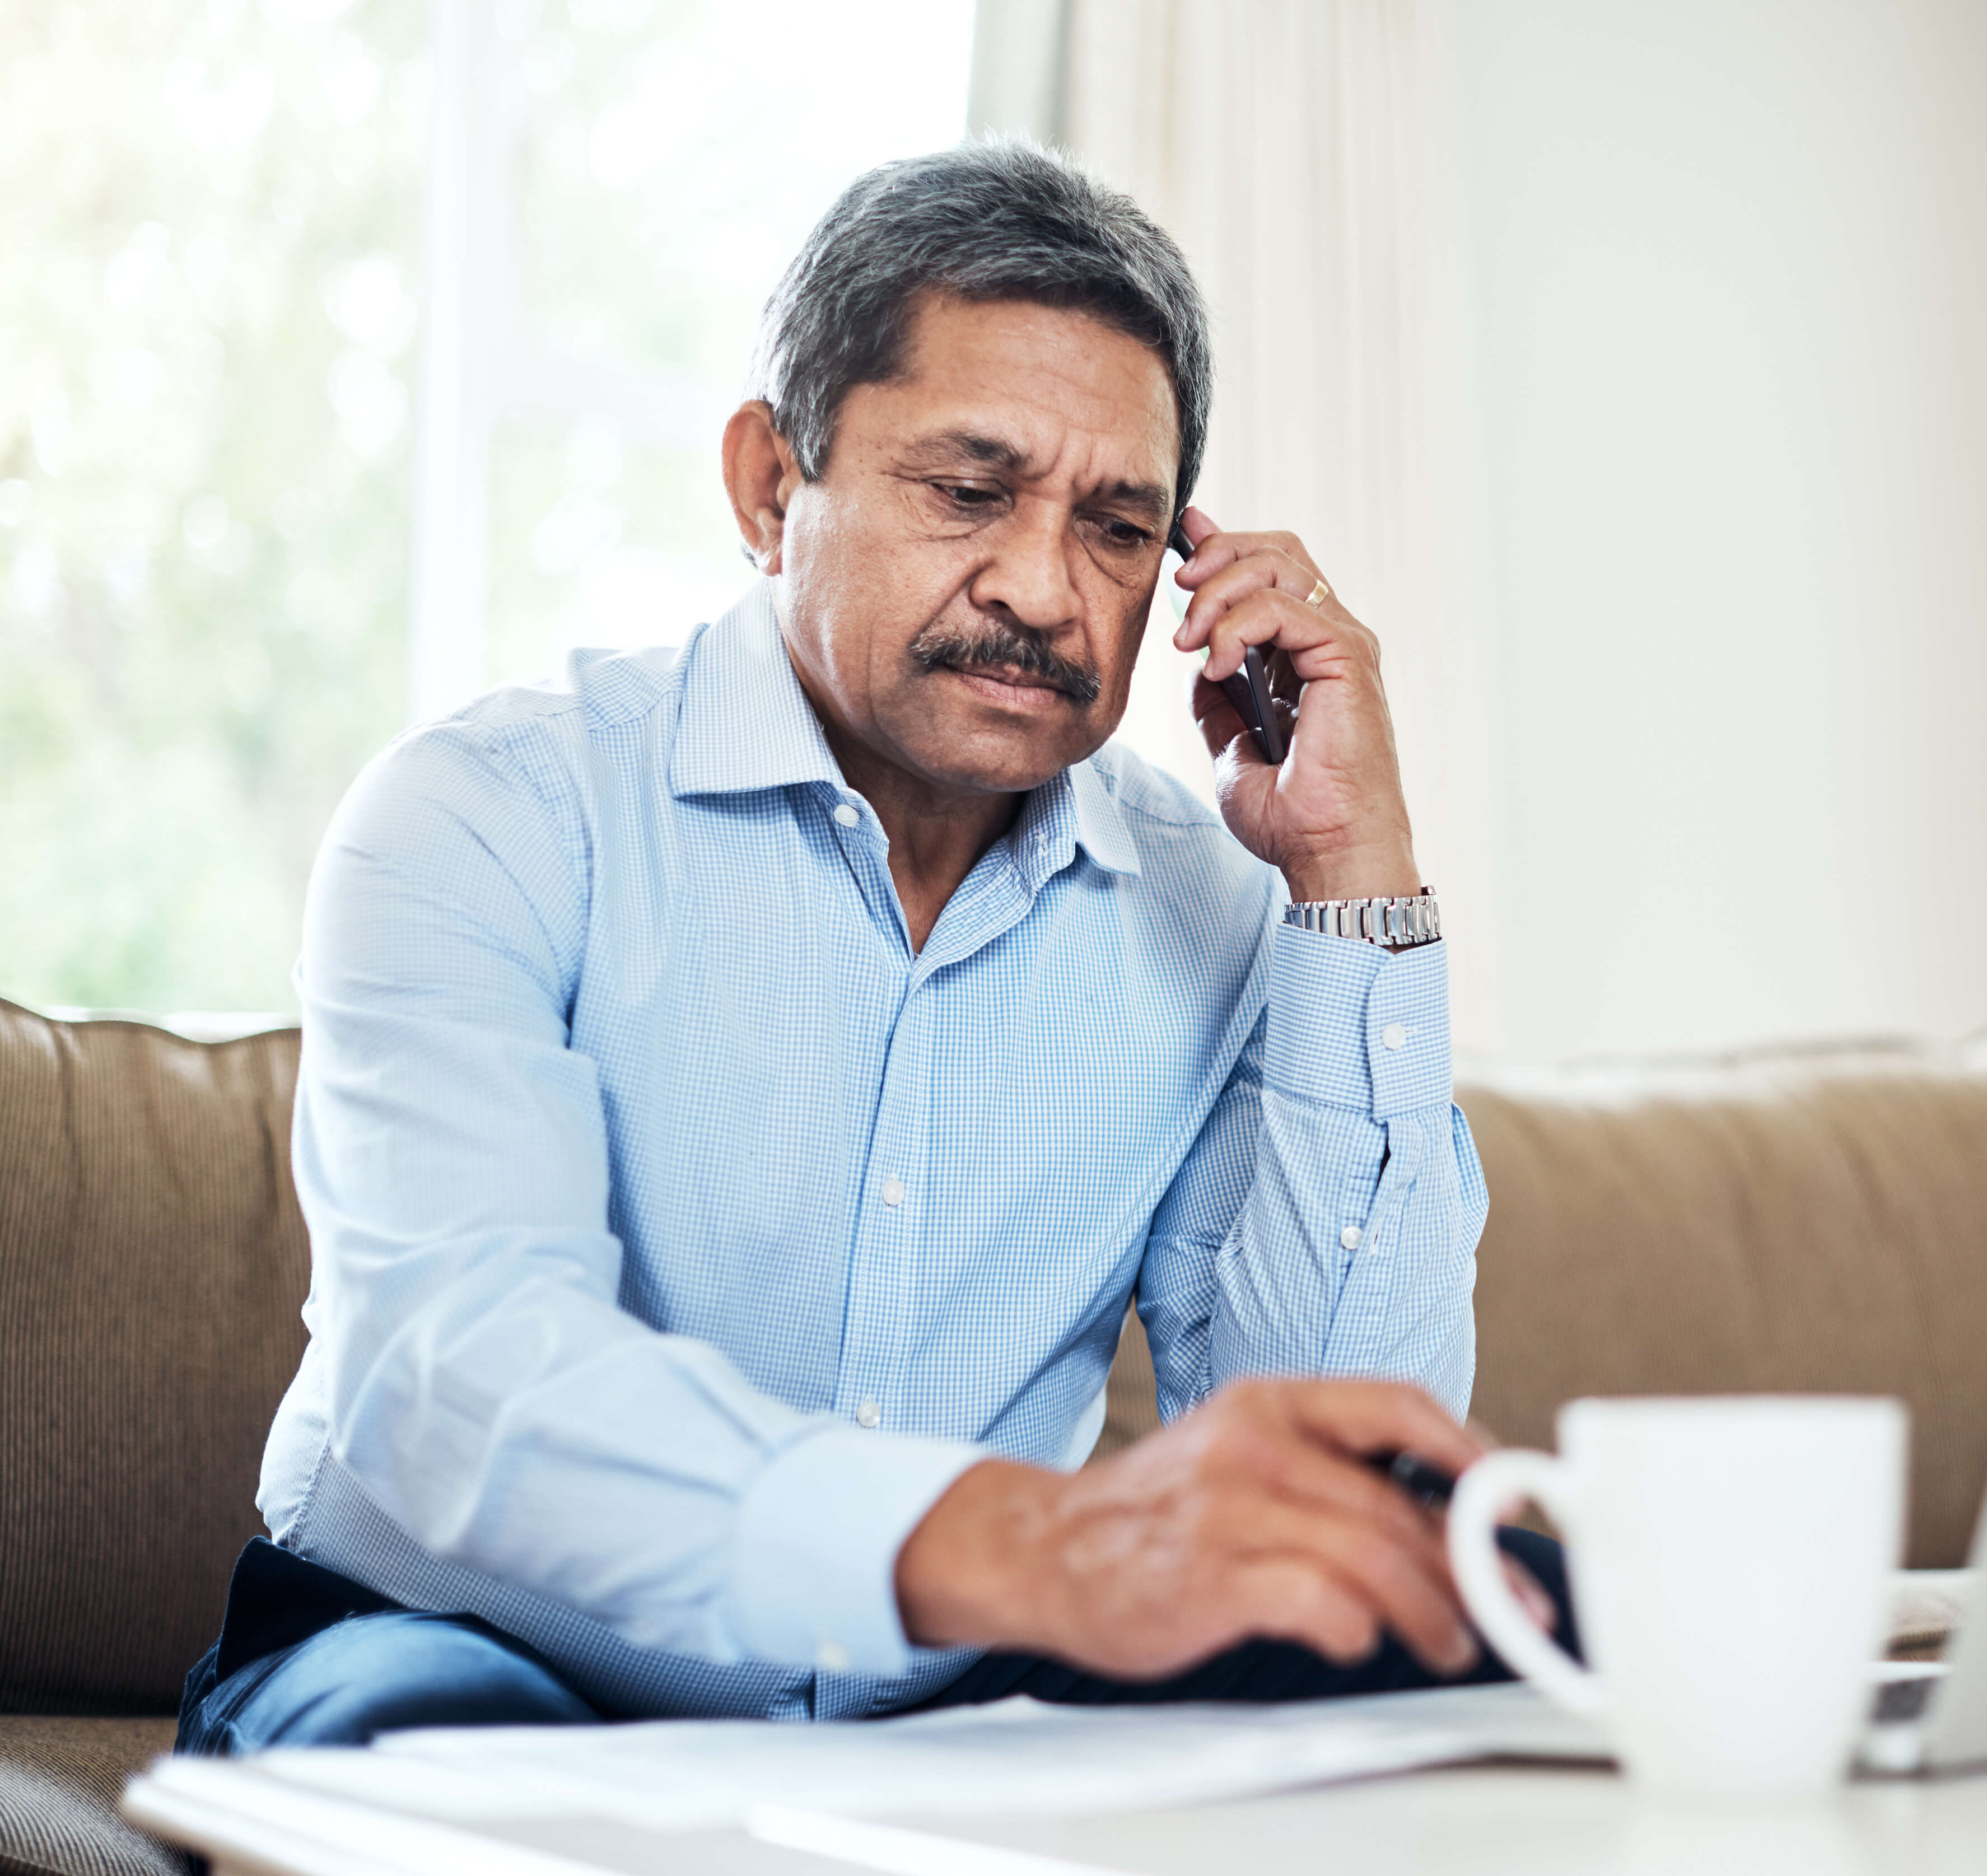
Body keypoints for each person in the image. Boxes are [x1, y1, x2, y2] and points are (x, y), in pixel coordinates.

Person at [176, 140, 1569, 1754]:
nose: (1044, 590)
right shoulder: (490, 813)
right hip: (450, 1652)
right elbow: (465, 1387)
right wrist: (1020, 1548)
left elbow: (1348, 1469)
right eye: (970, 492)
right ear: (772, 486)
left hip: (953, 1698)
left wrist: (1351, 878)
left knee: (1472, 1622)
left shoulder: (1216, 904)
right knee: (448, 1774)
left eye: (1117, 529)